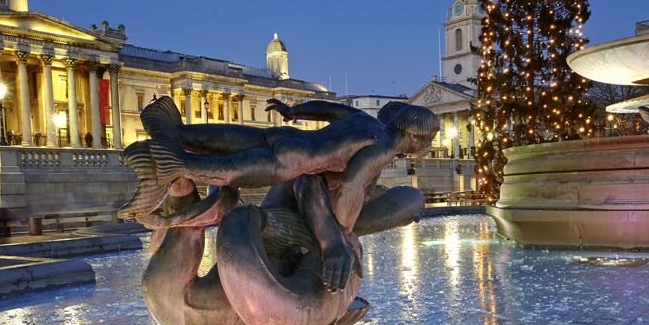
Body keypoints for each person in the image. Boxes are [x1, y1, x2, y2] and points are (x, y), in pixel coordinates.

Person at [120, 95, 438, 244]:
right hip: (293, 161)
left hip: (288, 137)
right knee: (218, 169)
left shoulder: (366, 121)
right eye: (428, 140)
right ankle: (170, 165)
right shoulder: (383, 145)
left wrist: (292, 112)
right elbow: (354, 186)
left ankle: (176, 132)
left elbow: (329, 109)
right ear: (413, 136)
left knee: (231, 140)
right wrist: (337, 235)